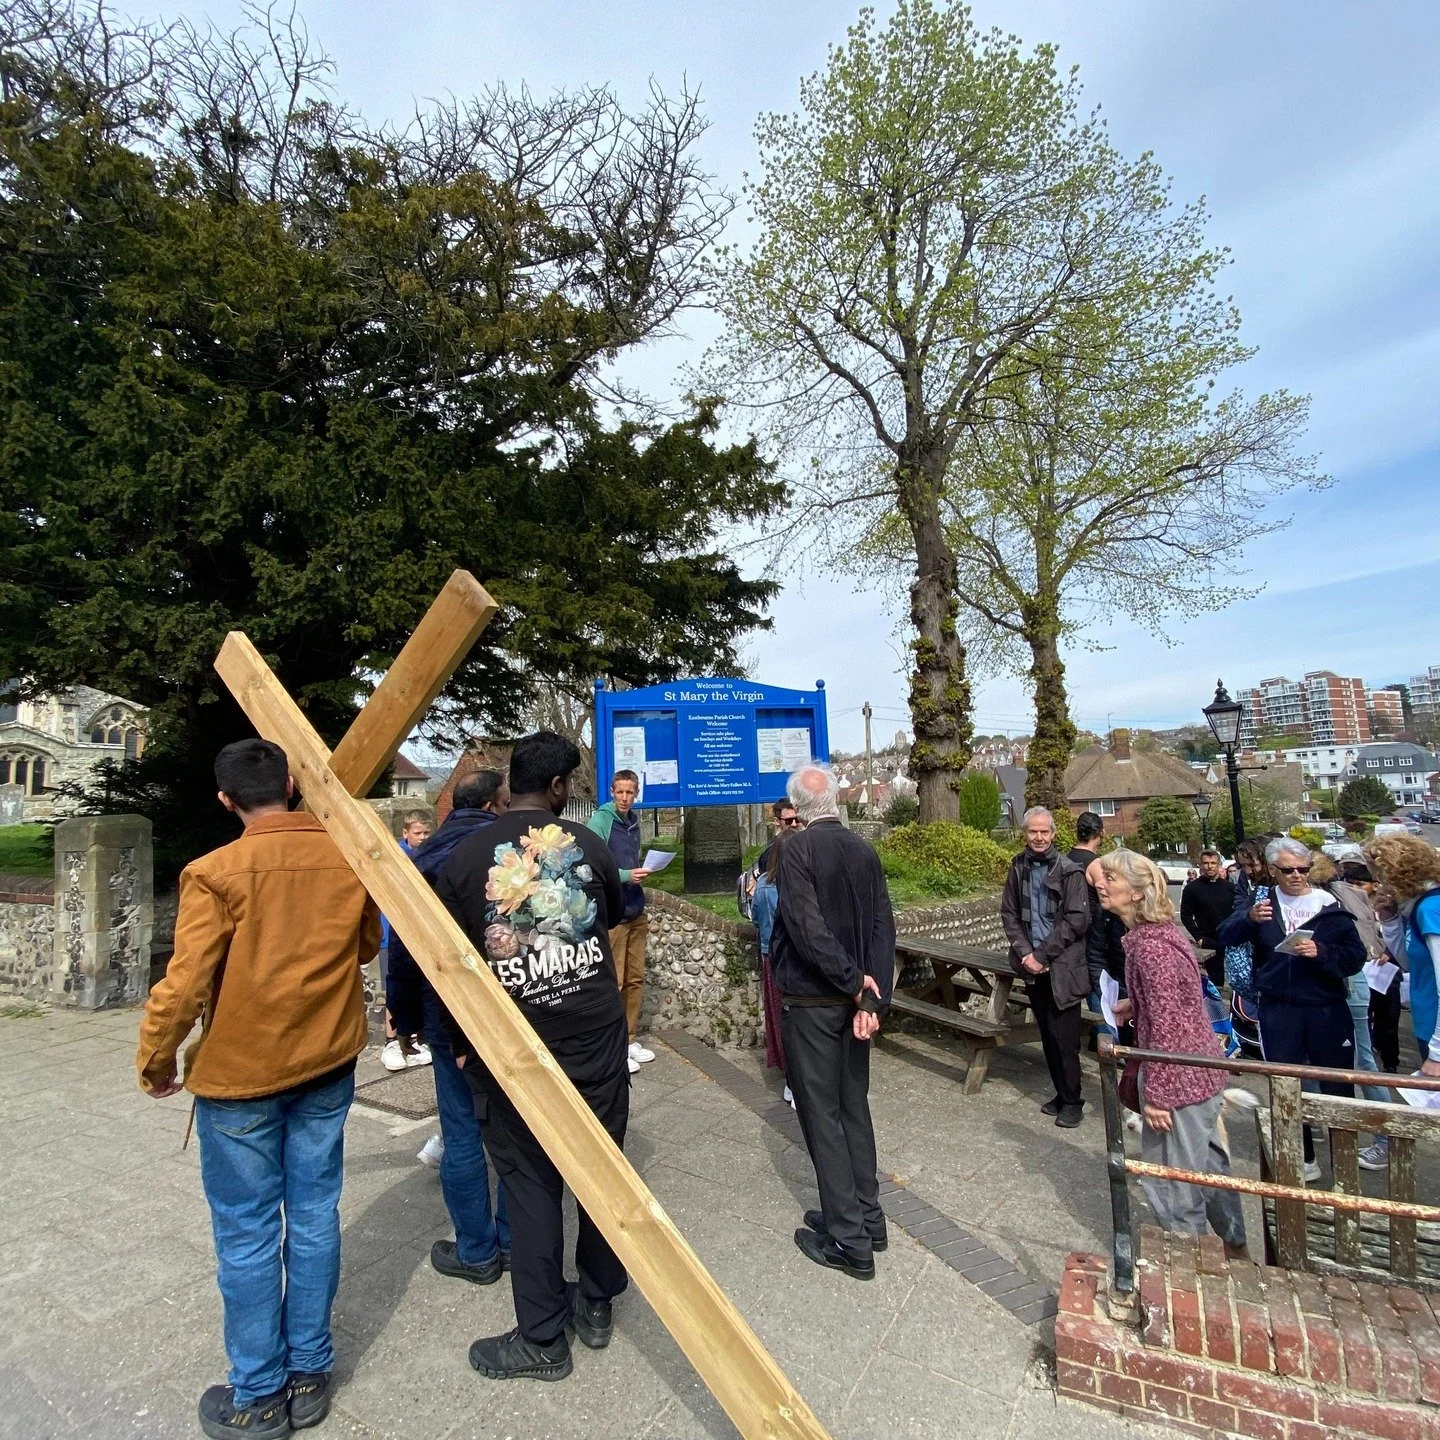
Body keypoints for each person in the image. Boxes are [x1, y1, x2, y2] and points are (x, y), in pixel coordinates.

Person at [135, 739, 380, 1439]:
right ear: (293, 785)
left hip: (242, 1075)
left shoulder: (214, 872)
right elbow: (365, 945)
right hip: (328, 1061)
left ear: (225, 800)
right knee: (312, 1214)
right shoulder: (348, 855)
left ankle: (260, 1391)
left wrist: (156, 1060)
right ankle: (310, 1371)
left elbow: (182, 984)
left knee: (246, 1233)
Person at [436, 731, 628, 1382]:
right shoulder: (591, 847)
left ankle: (545, 1335)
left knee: (529, 1184)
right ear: (555, 789)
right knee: (603, 1173)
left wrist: (460, 1047)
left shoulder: (463, 860)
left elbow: (450, 966)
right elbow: (615, 913)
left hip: (515, 1047)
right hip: (594, 1036)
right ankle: (596, 1300)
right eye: (567, 787)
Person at [770, 763, 894, 1281]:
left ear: (795, 805)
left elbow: (806, 928)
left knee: (822, 1115)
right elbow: (883, 927)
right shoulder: (864, 850)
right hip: (853, 1000)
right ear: (837, 800)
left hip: (818, 998)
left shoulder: (796, 849)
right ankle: (868, 1216)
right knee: (852, 1107)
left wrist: (851, 984)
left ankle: (849, 1239)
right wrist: (871, 997)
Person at [387, 770, 512, 1270]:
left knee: (460, 1134)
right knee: (510, 1133)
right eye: (502, 804)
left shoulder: (425, 858)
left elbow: (402, 947)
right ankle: (511, 1238)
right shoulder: (506, 853)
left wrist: (405, 1016)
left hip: (443, 1014)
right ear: (488, 807)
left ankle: (476, 1251)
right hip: (504, 1012)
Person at [1095, 850, 1248, 1257]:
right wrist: (1138, 1005)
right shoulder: (1160, 934)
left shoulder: (1151, 949)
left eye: (1111, 878)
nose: (1101, 883)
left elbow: (1170, 1029)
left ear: (1138, 892)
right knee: (1212, 1171)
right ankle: (1236, 1252)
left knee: (1171, 1187)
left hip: (1180, 1081)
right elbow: (1178, 1003)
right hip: (1203, 1072)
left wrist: (1159, 1097)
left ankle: (1194, 1273)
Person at [1217, 836, 1366, 1181]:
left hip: (1325, 1006)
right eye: (1288, 870)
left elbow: (1355, 957)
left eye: (1303, 869)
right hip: (1279, 1007)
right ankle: (1304, 1157)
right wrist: (1248, 920)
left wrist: (1323, 954)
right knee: (1286, 1083)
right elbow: (1225, 934)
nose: (1297, 876)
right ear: (1273, 870)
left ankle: (1343, 1162)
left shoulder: (1329, 905)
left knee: (1337, 1083)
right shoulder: (1263, 904)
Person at [999, 806, 1091, 1127]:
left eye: (1044, 832)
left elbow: (1077, 921)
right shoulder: (1018, 866)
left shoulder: (1070, 872)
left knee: (1066, 1040)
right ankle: (1061, 1093)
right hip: (1032, 967)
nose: (1038, 838)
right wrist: (1026, 953)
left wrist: (1043, 955)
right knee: (1048, 1036)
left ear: (1053, 834)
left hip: (1062, 968)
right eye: (1032, 832)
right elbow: (1009, 914)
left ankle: (1073, 1101)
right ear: (1025, 833)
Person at [1309, 852, 1393, 1169]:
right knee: (1314, 1055)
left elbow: (1360, 943)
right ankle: (1317, 1119)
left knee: (1360, 1059)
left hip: (1347, 982)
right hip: (1337, 984)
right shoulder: (1346, 892)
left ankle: (1385, 1138)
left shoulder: (1328, 899)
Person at [588, 770, 654, 1075]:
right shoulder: (602, 820)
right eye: (620, 792)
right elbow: (593, 864)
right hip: (615, 912)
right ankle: (613, 1045)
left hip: (635, 908)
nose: (625, 798)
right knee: (614, 981)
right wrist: (627, 875)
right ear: (612, 792)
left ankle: (628, 1039)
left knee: (635, 978)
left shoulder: (634, 822)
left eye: (630, 792)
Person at [1365, 835, 1440, 1079]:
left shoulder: (1430, 909)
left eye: (1380, 877)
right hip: (1427, 1024)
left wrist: (1438, 1053)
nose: (1378, 885)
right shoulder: (1417, 907)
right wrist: (1389, 921)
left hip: (1434, 1031)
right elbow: (1411, 965)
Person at [380, 810, 434, 1072]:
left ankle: (414, 1041)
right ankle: (391, 1041)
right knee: (395, 989)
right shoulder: (395, 858)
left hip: (417, 934)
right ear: (405, 833)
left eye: (426, 832)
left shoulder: (428, 856)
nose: (423, 838)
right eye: (417, 833)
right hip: (393, 933)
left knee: (417, 987)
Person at [750, 826, 794, 1106]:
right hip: (793, 958)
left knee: (778, 1016)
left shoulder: (764, 884)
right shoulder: (796, 882)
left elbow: (755, 918)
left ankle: (785, 1071)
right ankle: (796, 1079)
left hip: (769, 955)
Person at [1181, 849, 1236, 988]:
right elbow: (1185, 915)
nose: (1210, 866)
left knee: (1235, 980)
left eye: (1213, 863)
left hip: (1231, 938)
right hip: (1209, 940)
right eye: (1206, 863)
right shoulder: (1192, 888)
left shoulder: (1230, 888)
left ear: (1219, 864)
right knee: (1216, 982)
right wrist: (1198, 936)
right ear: (1201, 865)